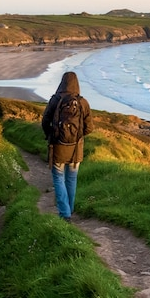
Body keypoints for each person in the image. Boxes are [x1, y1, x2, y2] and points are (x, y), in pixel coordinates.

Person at [41, 71, 92, 221]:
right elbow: (89, 128)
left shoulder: (55, 100)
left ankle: (65, 213)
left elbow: (45, 122)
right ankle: (69, 209)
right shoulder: (82, 102)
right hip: (76, 148)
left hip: (58, 146)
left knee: (58, 178)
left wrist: (51, 136)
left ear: (62, 83)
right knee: (72, 179)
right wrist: (78, 136)